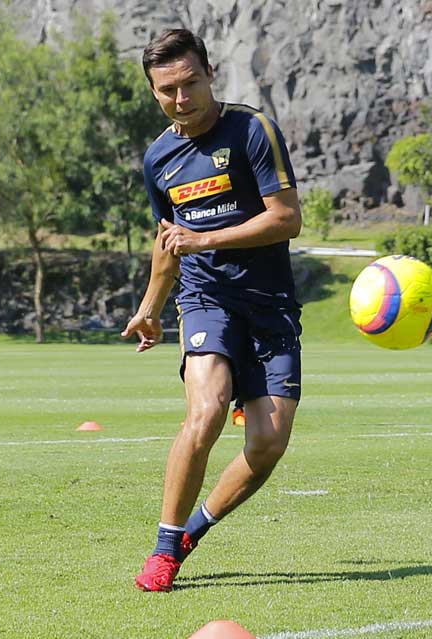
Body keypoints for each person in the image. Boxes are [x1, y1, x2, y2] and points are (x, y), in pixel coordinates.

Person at [121, 28, 303, 592]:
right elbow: (168, 239)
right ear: (153, 92)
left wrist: (208, 239)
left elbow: (286, 218)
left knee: (267, 447)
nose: (181, 99)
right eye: (167, 90)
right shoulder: (159, 158)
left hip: (269, 305)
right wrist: (151, 306)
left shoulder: (252, 131)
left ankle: (193, 530)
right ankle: (162, 548)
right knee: (206, 413)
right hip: (205, 298)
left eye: (190, 83)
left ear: (209, 74)